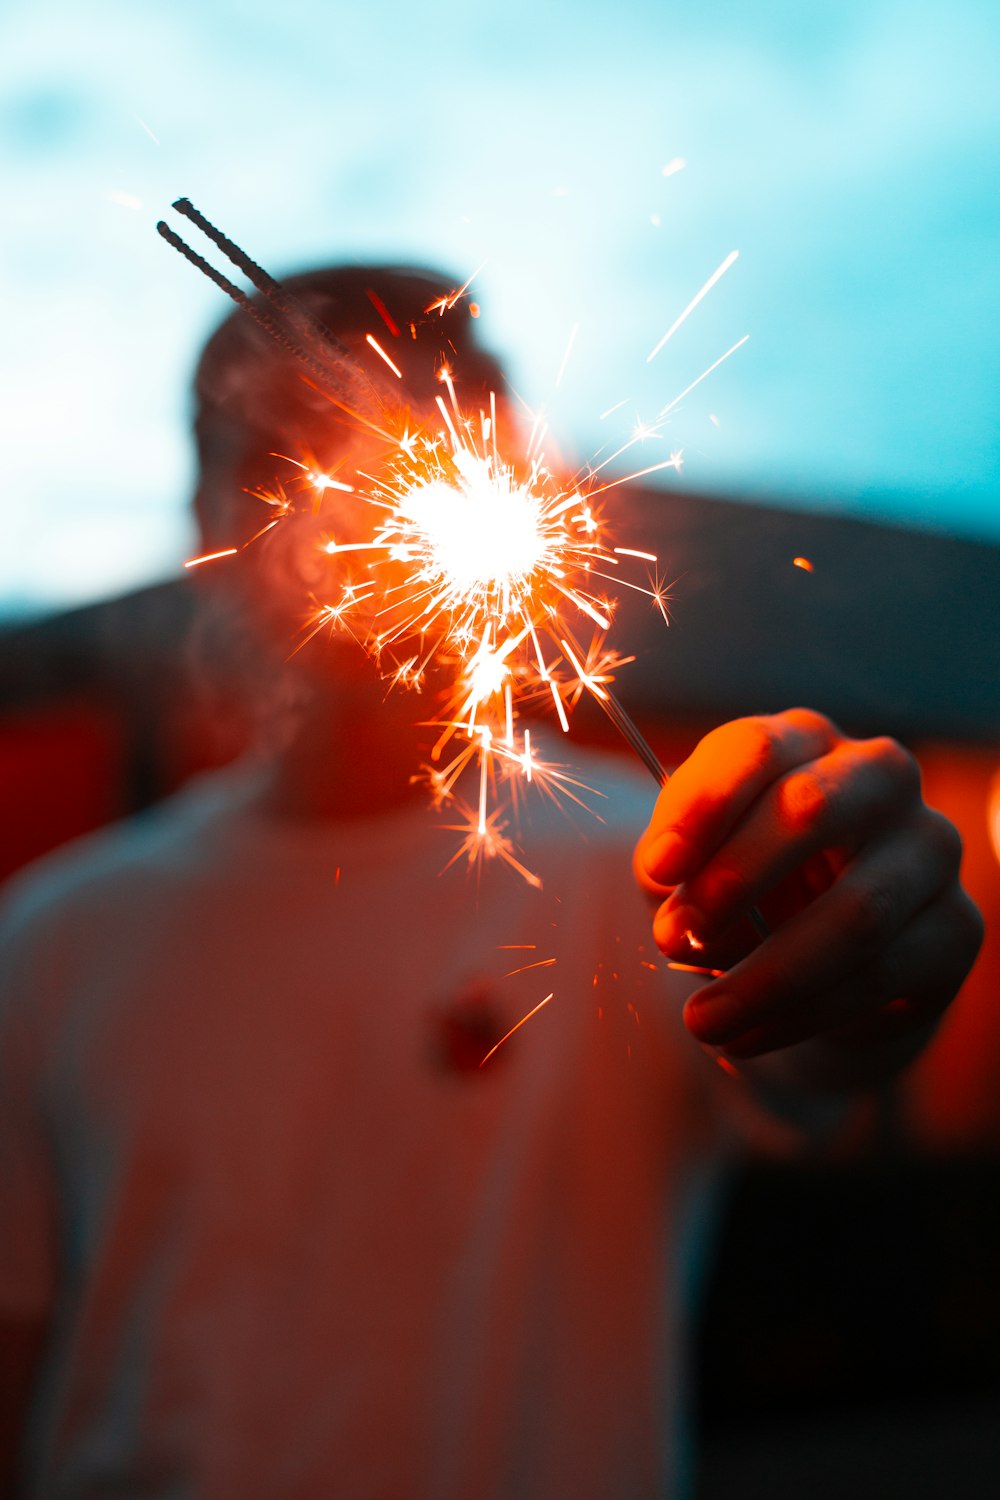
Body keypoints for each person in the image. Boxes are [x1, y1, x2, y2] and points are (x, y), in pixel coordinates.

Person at [0, 264, 983, 1499]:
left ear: (507, 474)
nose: (344, 514)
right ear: (203, 529)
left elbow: (809, 1071)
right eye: (273, 464)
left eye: (407, 439)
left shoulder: (659, 870)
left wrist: (863, 972)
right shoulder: (50, 938)